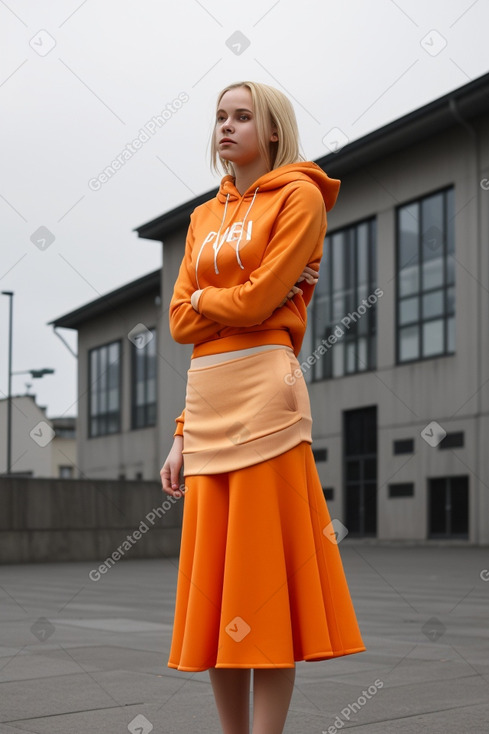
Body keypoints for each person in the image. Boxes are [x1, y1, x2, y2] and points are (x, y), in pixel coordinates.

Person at [160, 80, 366, 734]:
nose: (226, 127)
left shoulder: (301, 196)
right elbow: (176, 322)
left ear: (271, 130)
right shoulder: (201, 217)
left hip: (267, 405)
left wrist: (209, 304)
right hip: (207, 404)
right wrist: (181, 434)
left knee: (263, 594)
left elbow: (252, 305)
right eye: (220, 116)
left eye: (242, 117)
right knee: (220, 595)